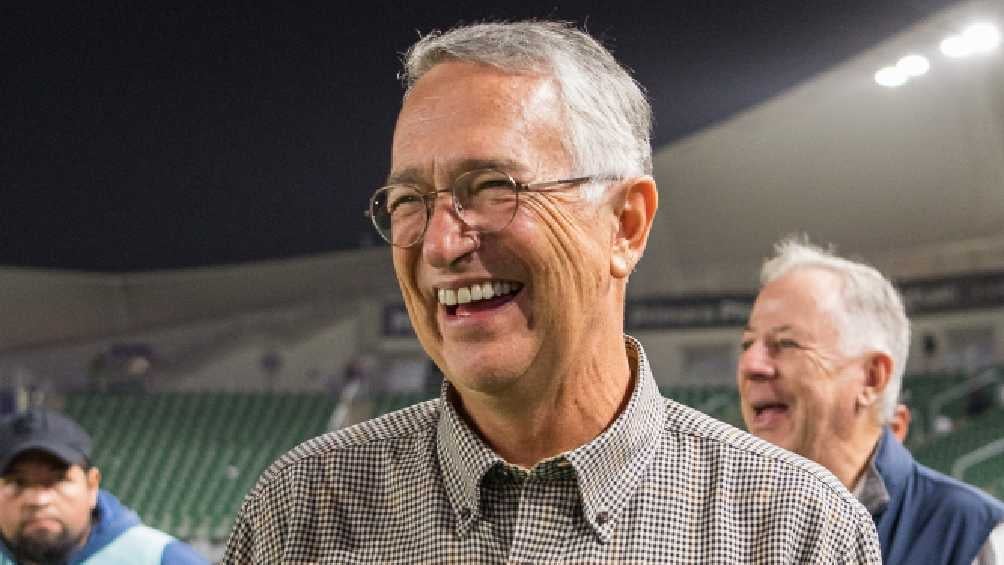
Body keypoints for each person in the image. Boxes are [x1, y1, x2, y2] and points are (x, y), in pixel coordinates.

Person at [224, 21, 880, 563]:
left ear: (625, 224)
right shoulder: (303, 513)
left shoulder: (798, 531)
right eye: (408, 201)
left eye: (491, 187)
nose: (440, 245)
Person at [738, 237, 1004, 565]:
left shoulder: (974, 538)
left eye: (785, 343)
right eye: (747, 344)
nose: (751, 365)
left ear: (871, 378)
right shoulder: (711, 524)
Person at [0, 409, 207, 564]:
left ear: (92, 486)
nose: (39, 501)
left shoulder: (161, 559)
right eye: (17, 483)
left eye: (58, 480)